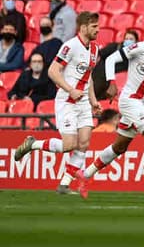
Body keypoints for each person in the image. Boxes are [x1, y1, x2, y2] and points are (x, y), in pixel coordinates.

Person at [71, 17, 144, 199]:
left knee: (119, 147)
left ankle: (85, 174)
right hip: (130, 100)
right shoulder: (139, 48)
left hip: (142, 103)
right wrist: (111, 83)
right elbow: (110, 59)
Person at [13, 12, 101, 195]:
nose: (98, 29)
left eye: (98, 26)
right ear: (83, 27)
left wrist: (93, 101)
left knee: (83, 143)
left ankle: (64, 185)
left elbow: (89, 76)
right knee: (69, 144)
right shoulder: (69, 46)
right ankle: (32, 144)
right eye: (94, 26)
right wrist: (70, 89)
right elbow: (53, 71)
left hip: (83, 101)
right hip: (67, 101)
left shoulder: (95, 49)